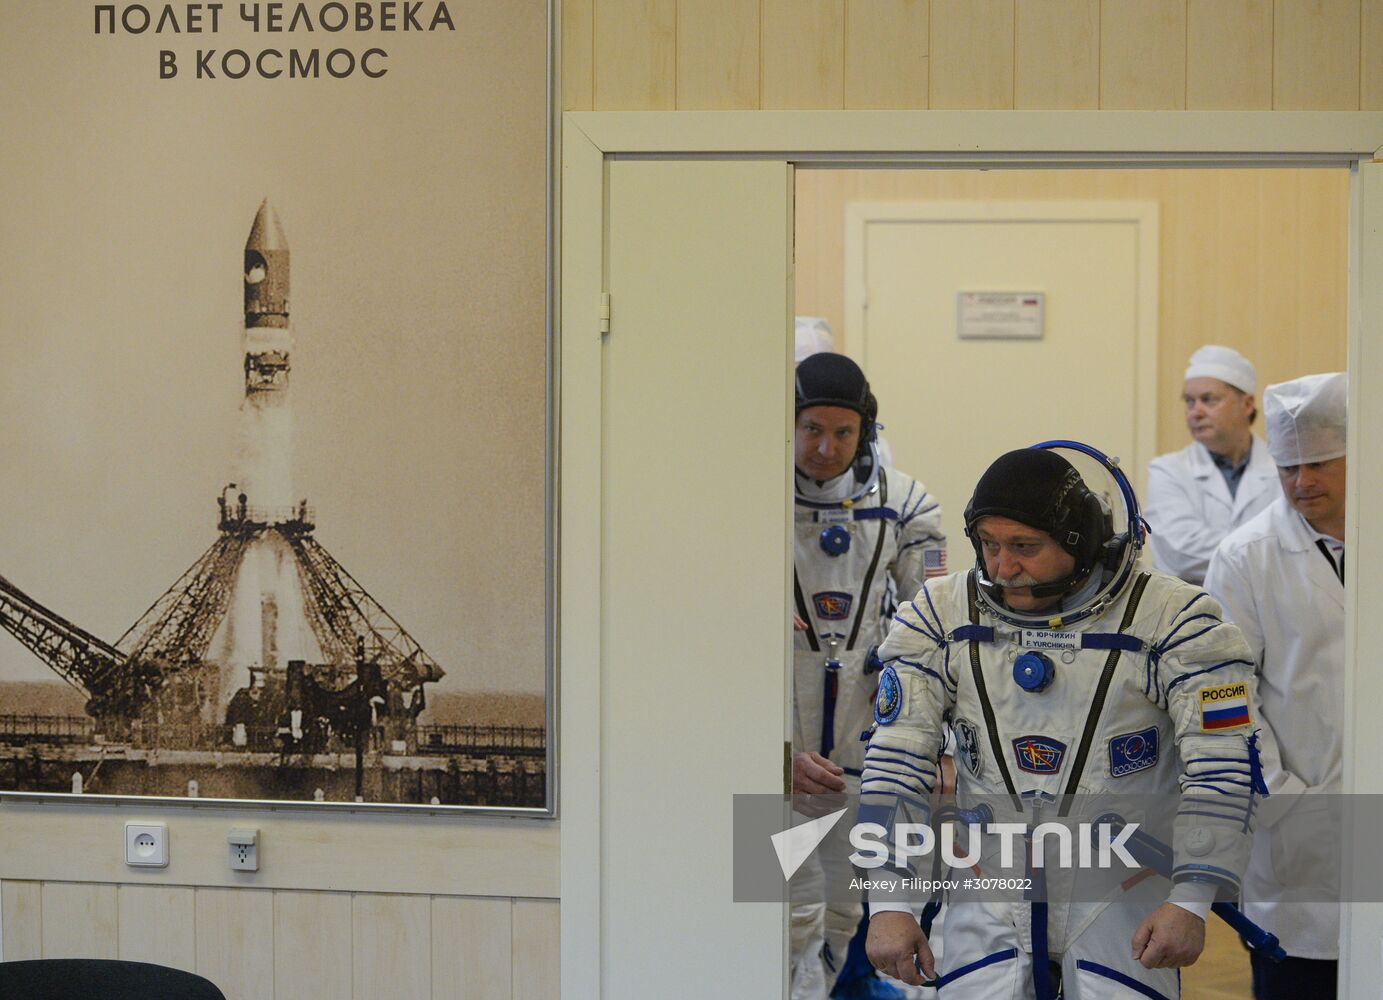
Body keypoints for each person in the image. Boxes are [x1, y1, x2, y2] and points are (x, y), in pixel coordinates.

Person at [862, 444, 1260, 998]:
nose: (1002, 567)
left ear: (1080, 543)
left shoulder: (1179, 622)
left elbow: (1223, 770)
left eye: (1025, 547)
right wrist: (887, 902)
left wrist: (1192, 900)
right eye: (989, 545)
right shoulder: (942, 615)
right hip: (988, 888)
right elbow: (895, 762)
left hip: (1123, 890)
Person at [791, 352, 946, 999]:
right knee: (784, 905)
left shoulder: (904, 504)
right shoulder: (741, 497)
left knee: (846, 909)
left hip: (862, 745)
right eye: (811, 429)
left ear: (865, 432)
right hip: (781, 753)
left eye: (843, 432)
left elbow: (933, 630)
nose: (826, 447)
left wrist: (938, 745)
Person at [1204, 372, 1347, 1000]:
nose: (1301, 482)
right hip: (1295, 836)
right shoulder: (1245, 558)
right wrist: (1285, 801)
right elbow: (1220, 697)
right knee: (1304, 975)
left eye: (1318, 464)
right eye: (1288, 467)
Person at [1145, 345, 1279, 584]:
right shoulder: (1167, 471)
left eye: (1208, 400)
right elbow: (1179, 555)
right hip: (1195, 616)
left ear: (1247, 404)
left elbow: (1302, 547)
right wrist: (1270, 551)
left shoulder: (1283, 469)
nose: (1195, 412)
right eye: (1189, 401)